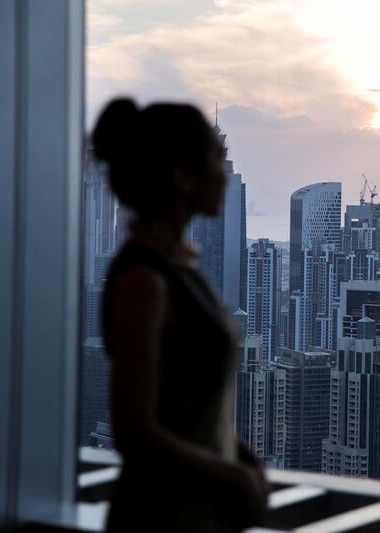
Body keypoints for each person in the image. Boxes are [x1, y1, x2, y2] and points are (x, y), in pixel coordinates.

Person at [94, 98, 268, 532]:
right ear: (182, 176)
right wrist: (228, 474)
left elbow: (193, 411)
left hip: (201, 514)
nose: (224, 175)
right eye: (216, 158)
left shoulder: (182, 267)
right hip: (160, 517)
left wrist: (241, 458)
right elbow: (135, 432)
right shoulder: (144, 280)